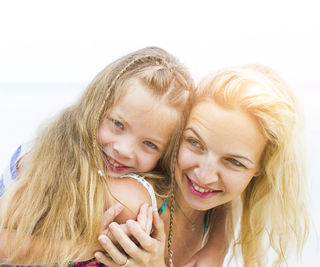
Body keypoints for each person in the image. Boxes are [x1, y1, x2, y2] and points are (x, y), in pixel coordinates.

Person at [0, 47, 228, 267]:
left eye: (149, 145)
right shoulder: (58, 159)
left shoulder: (138, 186)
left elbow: (225, 193)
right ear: (96, 107)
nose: (123, 149)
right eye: (117, 125)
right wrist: (88, 245)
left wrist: (219, 240)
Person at [94, 65, 310, 267]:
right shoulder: (128, 205)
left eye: (234, 162)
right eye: (194, 143)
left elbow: (231, 201)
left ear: (260, 170)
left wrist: (219, 240)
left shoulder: (212, 210)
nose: (203, 176)